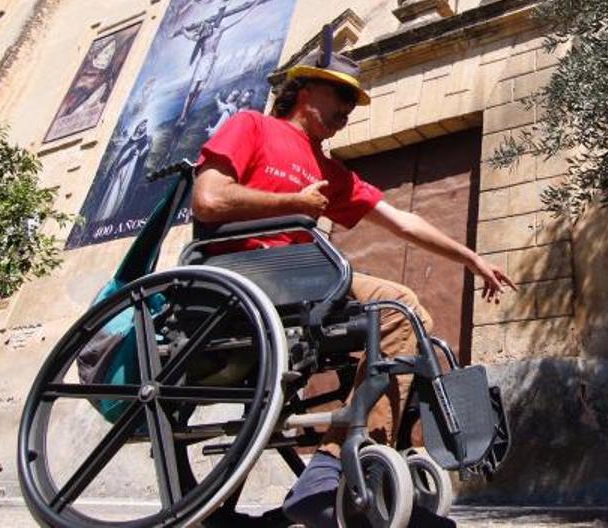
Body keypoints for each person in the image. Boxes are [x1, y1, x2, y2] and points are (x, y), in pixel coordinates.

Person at [191, 47, 516, 528]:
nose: (348, 109)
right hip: (245, 273)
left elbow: (401, 221)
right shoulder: (252, 126)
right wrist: (292, 200)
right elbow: (209, 199)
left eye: (354, 99)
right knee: (399, 307)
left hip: (301, 282)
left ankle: (359, 468)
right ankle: (338, 474)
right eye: (341, 94)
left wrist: (469, 258)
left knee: (413, 327)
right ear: (303, 91)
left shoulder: (328, 168)